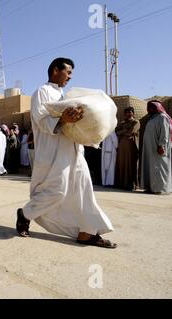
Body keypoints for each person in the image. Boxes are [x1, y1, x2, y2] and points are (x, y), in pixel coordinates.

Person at [16, 57, 116, 248]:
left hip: (75, 150)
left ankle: (87, 231)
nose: (70, 77)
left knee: (84, 189)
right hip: (54, 152)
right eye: (68, 72)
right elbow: (41, 120)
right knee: (57, 191)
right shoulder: (42, 92)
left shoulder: (66, 95)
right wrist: (63, 119)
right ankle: (25, 214)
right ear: (55, 70)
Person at [140, 101, 172, 195]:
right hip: (150, 149)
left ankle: (160, 188)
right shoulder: (152, 118)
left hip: (158, 148)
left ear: (157, 107)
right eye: (149, 107)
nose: (149, 109)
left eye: (152, 107)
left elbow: (165, 133)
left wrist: (161, 145)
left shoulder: (162, 117)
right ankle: (151, 187)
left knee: (160, 168)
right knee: (152, 168)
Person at [114, 107, 140, 190]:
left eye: (130, 112)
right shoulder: (122, 123)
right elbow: (116, 132)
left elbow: (131, 132)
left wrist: (123, 131)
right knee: (121, 164)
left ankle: (131, 185)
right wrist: (125, 130)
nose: (128, 114)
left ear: (133, 113)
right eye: (127, 112)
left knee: (130, 164)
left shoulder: (136, 122)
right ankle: (121, 184)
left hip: (131, 146)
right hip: (121, 147)